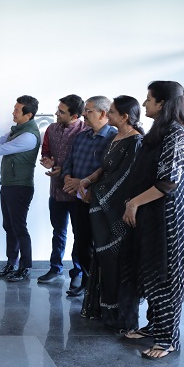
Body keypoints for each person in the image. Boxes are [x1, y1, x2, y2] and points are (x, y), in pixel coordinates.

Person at [122, 81, 184, 359]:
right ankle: (155, 325)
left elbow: (168, 182)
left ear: (163, 104)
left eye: (148, 99)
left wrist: (133, 202)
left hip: (169, 216)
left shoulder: (177, 134)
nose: (144, 104)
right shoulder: (162, 130)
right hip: (152, 212)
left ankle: (168, 340)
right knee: (151, 270)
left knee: (165, 273)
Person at [79, 96, 143, 331]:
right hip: (103, 208)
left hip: (116, 211)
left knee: (116, 261)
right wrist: (89, 179)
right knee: (103, 258)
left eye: (112, 112)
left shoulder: (136, 141)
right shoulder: (117, 137)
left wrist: (95, 190)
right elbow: (106, 169)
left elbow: (126, 179)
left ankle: (120, 318)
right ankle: (103, 310)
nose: (108, 115)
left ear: (124, 117)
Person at [0, 95, 41, 282]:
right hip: (8, 185)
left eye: (16, 110)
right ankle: (11, 263)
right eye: (14, 108)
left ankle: (25, 267)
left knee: (19, 227)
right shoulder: (18, 131)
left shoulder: (29, 136)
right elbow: (0, 141)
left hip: (20, 187)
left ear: (28, 115)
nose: (13, 113)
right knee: (9, 226)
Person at [61, 96, 117, 297]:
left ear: (103, 113)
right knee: (81, 241)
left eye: (89, 111)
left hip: (100, 202)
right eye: (85, 110)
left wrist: (85, 183)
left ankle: (100, 287)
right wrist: (68, 177)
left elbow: (110, 171)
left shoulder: (114, 138)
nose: (85, 114)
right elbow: (69, 161)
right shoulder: (81, 136)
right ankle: (86, 282)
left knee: (99, 244)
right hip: (79, 199)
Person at [37, 95, 88, 284]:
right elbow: (46, 153)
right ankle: (55, 268)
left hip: (78, 193)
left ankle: (78, 272)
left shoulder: (86, 131)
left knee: (79, 233)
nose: (56, 114)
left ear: (75, 116)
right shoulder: (51, 129)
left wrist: (67, 172)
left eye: (61, 112)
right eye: (58, 109)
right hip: (56, 191)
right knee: (58, 231)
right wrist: (48, 162)